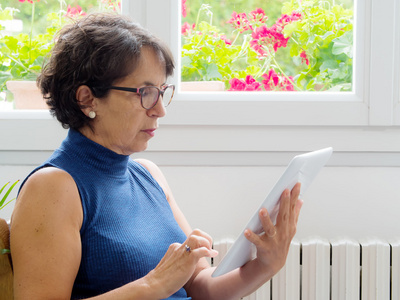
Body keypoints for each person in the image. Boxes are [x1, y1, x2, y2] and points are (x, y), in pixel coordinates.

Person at [10, 12, 303, 300]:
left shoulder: (148, 174)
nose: (159, 109)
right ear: (87, 99)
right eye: (145, 92)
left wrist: (266, 264)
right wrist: (152, 286)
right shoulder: (52, 188)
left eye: (162, 91)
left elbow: (203, 287)